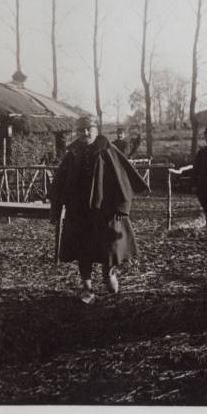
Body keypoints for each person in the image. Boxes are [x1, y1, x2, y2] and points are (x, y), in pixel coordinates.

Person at [50, 115, 149, 304]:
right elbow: (59, 182)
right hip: (79, 211)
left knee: (108, 246)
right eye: (80, 130)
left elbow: (122, 179)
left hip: (105, 209)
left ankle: (108, 275)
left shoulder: (107, 150)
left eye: (88, 129)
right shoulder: (73, 153)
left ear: (96, 130)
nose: (85, 133)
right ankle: (87, 287)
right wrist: (56, 208)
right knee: (82, 248)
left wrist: (122, 205)